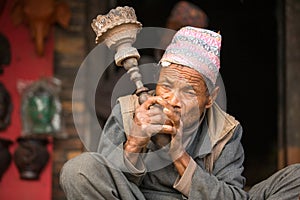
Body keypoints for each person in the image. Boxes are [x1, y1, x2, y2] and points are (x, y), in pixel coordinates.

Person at [60, 26, 300, 199]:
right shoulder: (129, 111)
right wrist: (134, 143)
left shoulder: (225, 130)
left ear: (210, 98)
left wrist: (178, 154)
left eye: (188, 91)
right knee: (79, 169)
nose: (172, 100)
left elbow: (231, 195)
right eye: (166, 86)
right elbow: (105, 182)